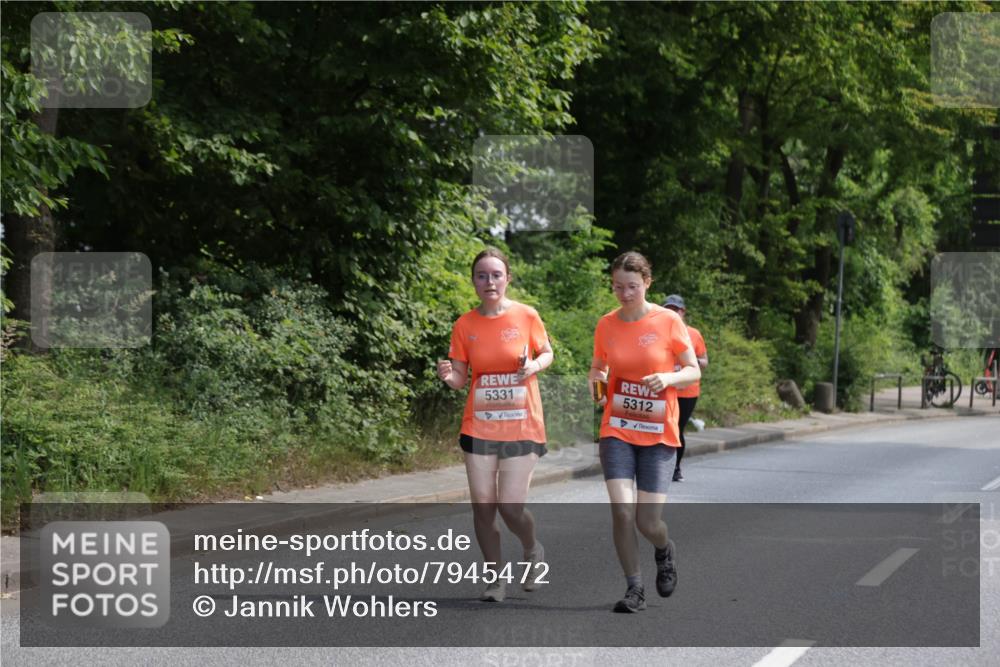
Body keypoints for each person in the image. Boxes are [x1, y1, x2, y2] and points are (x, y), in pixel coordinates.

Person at [436, 247, 553, 602]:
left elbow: (546, 352)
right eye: (482, 275)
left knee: (510, 507)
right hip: (480, 426)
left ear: (508, 278)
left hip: (522, 425)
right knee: (483, 508)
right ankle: (494, 579)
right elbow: (460, 377)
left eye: (496, 275)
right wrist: (448, 376)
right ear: (474, 282)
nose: (489, 281)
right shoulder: (465, 324)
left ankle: (532, 550)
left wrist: (534, 365)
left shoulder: (526, 315)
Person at [588, 251, 700, 613]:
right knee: (622, 511)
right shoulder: (606, 324)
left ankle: (664, 550)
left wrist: (668, 377)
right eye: (618, 286)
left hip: (658, 432)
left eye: (632, 287)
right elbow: (597, 369)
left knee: (647, 521)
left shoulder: (668, 321)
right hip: (617, 427)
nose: (624, 293)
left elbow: (692, 370)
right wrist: (598, 384)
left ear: (647, 283)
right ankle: (634, 589)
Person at [662, 294, 708, 482]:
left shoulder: (694, 334)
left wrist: (690, 361)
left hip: (688, 391)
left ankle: (675, 468)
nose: (672, 312)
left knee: (677, 428)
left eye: (676, 309)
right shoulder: (658, 331)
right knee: (663, 428)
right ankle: (659, 468)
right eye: (669, 309)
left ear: (683, 312)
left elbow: (705, 361)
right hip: (666, 388)